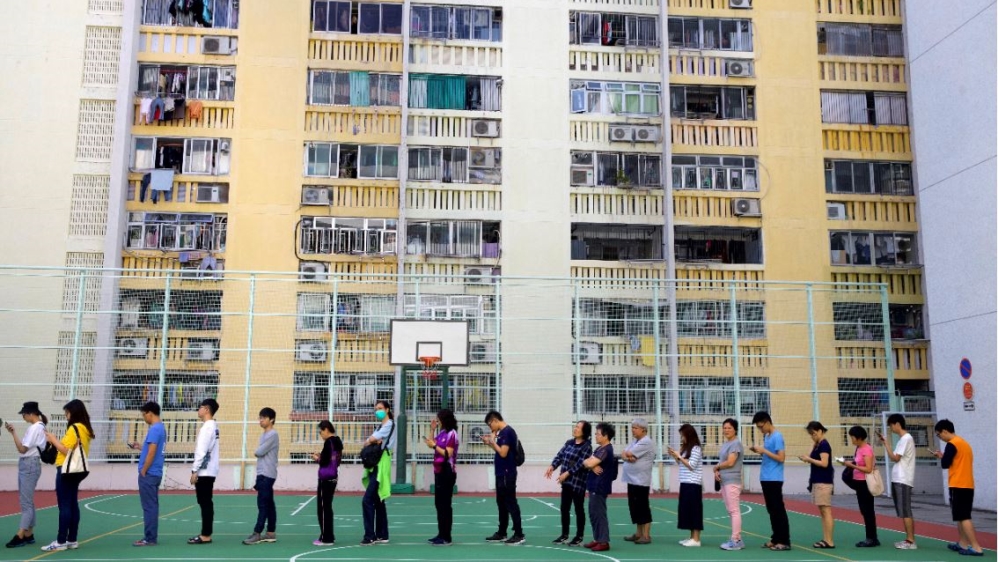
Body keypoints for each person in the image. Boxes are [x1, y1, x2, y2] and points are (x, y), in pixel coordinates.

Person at [40, 399, 94, 552]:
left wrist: (53, 439)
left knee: (64, 505)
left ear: (73, 413)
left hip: (66, 469)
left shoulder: (74, 428)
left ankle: (61, 540)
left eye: (67, 413)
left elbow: (65, 450)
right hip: (77, 470)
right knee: (72, 504)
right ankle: (72, 539)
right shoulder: (85, 428)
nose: (66, 416)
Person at [931, 419, 983, 556]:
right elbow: (955, 461)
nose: (940, 437)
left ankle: (976, 547)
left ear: (945, 431)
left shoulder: (951, 444)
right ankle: (963, 543)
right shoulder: (963, 443)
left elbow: (945, 464)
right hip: (967, 484)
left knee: (964, 516)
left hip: (958, 484)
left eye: (939, 434)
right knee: (960, 516)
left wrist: (940, 458)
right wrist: (943, 457)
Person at [5, 402, 48, 548]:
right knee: (28, 501)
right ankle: (29, 534)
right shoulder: (41, 426)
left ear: (30, 414)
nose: (23, 416)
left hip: (28, 464)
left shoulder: (34, 428)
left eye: (24, 413)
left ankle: (20, 535)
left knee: (26, 503)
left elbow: (22, 449)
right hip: (32, 464)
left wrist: (13, 433)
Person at [545, 421, 592, 547]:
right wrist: (552, 466)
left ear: (584, 431)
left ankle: (579, 536)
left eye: (578, 427)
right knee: (564, 508)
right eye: (575, 426)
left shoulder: (586, 446)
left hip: (578, 483)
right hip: (566, 482)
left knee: (578, 509)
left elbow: (581, 464)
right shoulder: (569, 442)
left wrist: (567, 473)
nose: (575, 428)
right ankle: (564, 535)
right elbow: (560, 456)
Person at [750, 411, 791, 551]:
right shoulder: (767, 436)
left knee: (778, 509)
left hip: (774, 478)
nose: (760, 429)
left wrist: (764, 451)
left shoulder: (777, 436)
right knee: (771, 510)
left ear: (767, 422)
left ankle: (784, 540)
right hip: (766, 477)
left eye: (761, 426)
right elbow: (770, 454)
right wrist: (760, 451)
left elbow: (781, 458)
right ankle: (776, 538)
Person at [481, 410, 524, 545]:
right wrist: (491, 443)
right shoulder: (502, 433)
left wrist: (492, 442)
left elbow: (503, 453)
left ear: (495, 420)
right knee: (501, 504)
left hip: (507, 473)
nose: (490, 428)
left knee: (510, 503)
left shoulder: (507, 432)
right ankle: (502, 532)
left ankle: (519, 534)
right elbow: (500, 451)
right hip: (501, 473)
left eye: (490, 425)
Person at [879, 413, 917, 549]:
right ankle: (909, 539)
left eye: (891, 425)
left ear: (897, 424)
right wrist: (886, 444)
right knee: (904, 510)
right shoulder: (904, 439)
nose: (891, 428)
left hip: (903, 479)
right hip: (900, 478)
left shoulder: (906, 439)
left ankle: (910, 540)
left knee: (905, 510)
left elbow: (895, 458)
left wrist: (887, 445)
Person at [131, 402, 166, 547]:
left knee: (149, 506)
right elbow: (152, 450)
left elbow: (152, 453)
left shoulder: (154, 429)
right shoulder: (161, 428)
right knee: (152, 505)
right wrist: (141, 447)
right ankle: (151, 536)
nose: (144, 418)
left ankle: (150, 537)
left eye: (144, 414)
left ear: (150, 413)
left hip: (150, 473)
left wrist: (144, 470)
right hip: (156, 472)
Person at [361, 400, 395, 546]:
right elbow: (371, 440)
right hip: (376, 463)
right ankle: (382, 534)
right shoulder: (380, 426)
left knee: (367, 500)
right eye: (376, 409)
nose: (378, 411)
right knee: (378, 499)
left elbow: (371, 440)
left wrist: (372, 440)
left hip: (381, 463)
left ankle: (370, 536)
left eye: (380, 408)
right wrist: (372, 440)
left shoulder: (389, 424)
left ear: (387, 409)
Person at [244, 407, 280, 545]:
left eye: (263, 418)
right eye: (260, 418)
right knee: (269, 504)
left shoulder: (273, 434)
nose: (261, 420)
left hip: (267, 474)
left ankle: (257, 533)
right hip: (262, 473)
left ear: (271, 419)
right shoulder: (264, 435)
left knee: (263, 504)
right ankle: (270, 533)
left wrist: (257, 451)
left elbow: (259, 452)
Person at [424, 408, 460, 546]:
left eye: (438, 418)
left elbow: (447, 454)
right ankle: (440, 533)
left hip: (447, 472)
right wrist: (432, 430)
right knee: (439, 504)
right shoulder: (442, 433)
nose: (437, 420)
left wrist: (434, 447)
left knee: (445, 505)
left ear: (445, 419)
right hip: (438, 471)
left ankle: (447, 537)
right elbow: (430, 443)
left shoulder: (452, 434)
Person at [798, 421, 834, 549]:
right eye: (811, 434)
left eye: (814, 433)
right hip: (817, 480)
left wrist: (810, 459)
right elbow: (810, 456)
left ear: (820, 431)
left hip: (824, 481)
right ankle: (826, 539)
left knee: (826, 510)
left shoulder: (824, 445)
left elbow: (824, 463)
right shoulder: (818, 444)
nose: (812, 436)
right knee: (822, 511)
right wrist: (811, 449)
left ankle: (829, 540)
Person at [840, 426, 879, 547]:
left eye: (852, 437)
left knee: (867, 511)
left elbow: (868, 468)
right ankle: (872, 537)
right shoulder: (859, 448)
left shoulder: (866, 449)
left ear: (858, 437)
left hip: (864, 483)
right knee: (864, 510)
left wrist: (852, 466)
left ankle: (871, 538)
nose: (851, 439)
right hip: (859, 482)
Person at [188, 398, 219, 545]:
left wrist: (195, 470)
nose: (198, 410)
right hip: (209, 470)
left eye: (200, 407)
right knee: (206, 502)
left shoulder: (207, 427)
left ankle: (206, 534)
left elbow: (202, 450)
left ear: (206, 409)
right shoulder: (212, 426)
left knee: (205, 502)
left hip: (204, 471)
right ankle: (205, 532)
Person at [620, 418, 655, 545]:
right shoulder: (635, 441)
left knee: (642, 507)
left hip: (641, 480)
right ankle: (639, 533)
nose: (632, 430)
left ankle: (646, 535)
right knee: (634, 507)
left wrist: (627, 456)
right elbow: (624, 453)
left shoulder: (646, 442)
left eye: (635, 428)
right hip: (632, 479)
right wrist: (628, 457)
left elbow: (628, 453)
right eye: (632, 427)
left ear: (643, 429)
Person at [583, 422, 616, 552]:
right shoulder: (599, 449)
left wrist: (590, 463)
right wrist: (589, 463)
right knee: (593, 513)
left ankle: (603, 541)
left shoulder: (606, 450)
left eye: (597, 434)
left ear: (605, 436)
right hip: (594, 485)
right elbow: (587, 462)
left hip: (600, 486)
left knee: (599, 514)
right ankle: (597, 538)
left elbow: (589, 462)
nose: (595, 436)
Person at [668, 424, 703, 547]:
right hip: (685, 482)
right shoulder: (686, 448)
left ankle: (696, 539)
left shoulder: (696, 448)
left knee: (694, 511)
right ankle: (692, 537)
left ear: (688, 435)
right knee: (687, 510)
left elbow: (691, 465)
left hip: (693, 483)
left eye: (682, 435)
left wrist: (679, 456)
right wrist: (675, 455)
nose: (681, 438)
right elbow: (683, 464)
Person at [713, 418, 744, 551]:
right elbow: (725, 462)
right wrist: (718, 471)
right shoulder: (727, 443)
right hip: (725, 480)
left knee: (734, 511)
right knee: (731, 511)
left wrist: (717, 466)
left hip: (732, 481)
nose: (726, 430)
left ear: (735, 429)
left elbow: (731, 462)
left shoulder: (736, 444)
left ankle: (735, 540)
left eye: (729, 428)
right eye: (724, 428)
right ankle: (737, 538)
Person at [312, 421, 342, 546]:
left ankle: (326, 538)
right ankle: (328, 535)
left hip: (326, 478)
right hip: (333, 477)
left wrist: (317, 458)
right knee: (327, 507)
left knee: (323, 509)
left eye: (320, 431)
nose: (320, 434)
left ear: (326, 429)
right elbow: (335, 459)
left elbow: (324, 461)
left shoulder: (329, 442)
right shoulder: (337, 442)